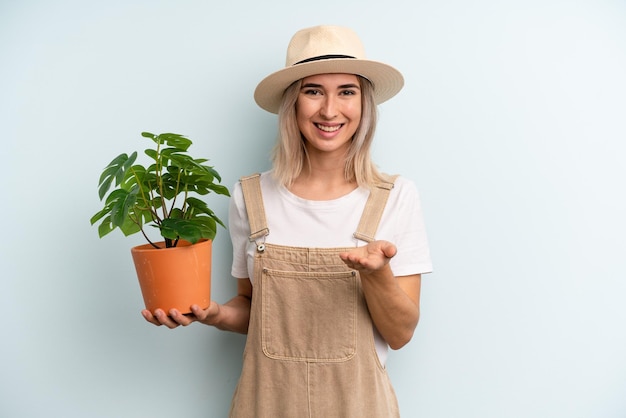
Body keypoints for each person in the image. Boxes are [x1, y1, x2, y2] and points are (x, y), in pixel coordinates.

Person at [142, 25, 432, 417]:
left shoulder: (396, 197)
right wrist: (215, 314)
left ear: (364, 104)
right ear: (292, 103)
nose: (330, 110)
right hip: (267, 404)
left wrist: (377, 274)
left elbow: (400, 334)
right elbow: (253, 309)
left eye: (347, 91)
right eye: (313, 91)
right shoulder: (251, 197)